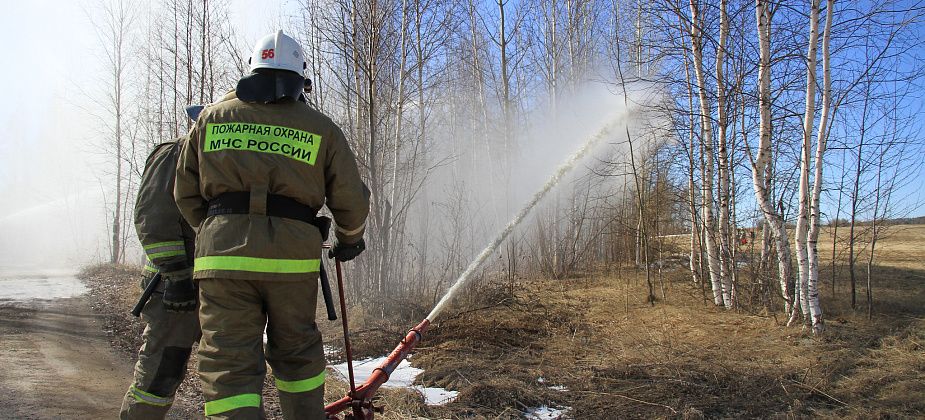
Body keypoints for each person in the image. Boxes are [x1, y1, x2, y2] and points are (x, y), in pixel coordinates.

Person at [174, 30, 369, 419]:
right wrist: (349, 239)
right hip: (291, 264)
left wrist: (217, 230)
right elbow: (350, 197)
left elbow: (185, 193)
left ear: (252, 70)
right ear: (300, 78)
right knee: (296, 355)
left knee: (229, 364)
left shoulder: (210, 119)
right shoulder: (322, 128)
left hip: (223, 262)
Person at [120, 105, 205, 419]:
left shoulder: (226, 161)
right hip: (172, 290)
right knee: (161, 374)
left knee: (229, 377)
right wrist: (178, 276)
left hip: (217, 288)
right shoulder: (174, 154)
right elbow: (153, 217)